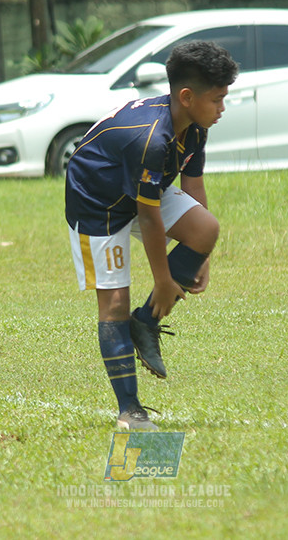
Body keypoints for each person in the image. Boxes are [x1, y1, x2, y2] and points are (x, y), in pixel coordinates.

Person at [65, 40, 239, 431]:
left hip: (141, 190)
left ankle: (144, 323)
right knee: (114, 304)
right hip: (97, 202)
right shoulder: (152, 140)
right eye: (217, 100)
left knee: (206, 228)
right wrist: (163, 281)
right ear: (187, 96)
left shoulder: (194, 127)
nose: (222, 109)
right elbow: (148, 217)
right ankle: (130, 410)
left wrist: (202, 253)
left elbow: (193, 186)